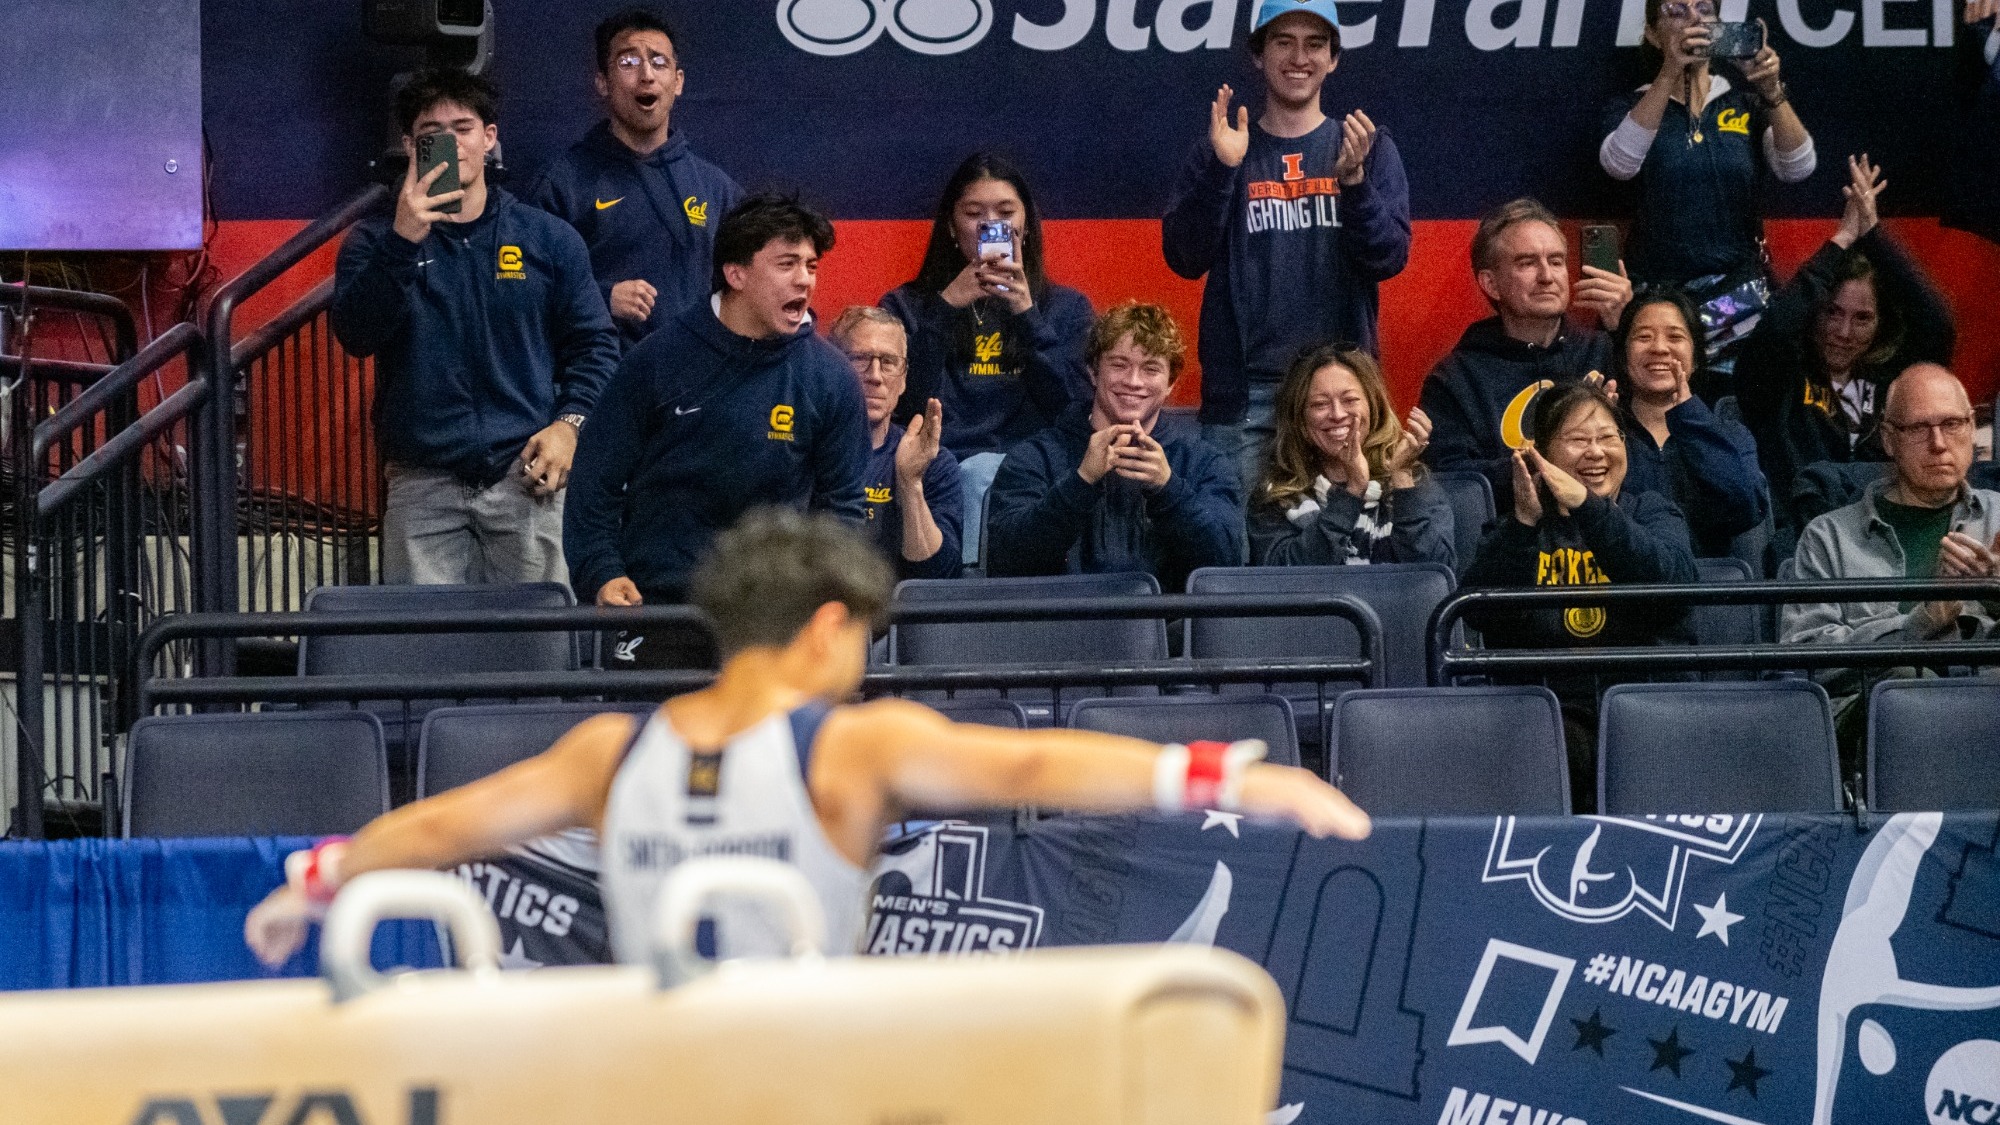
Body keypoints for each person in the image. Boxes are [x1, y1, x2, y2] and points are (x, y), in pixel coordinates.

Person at [243, 508, 1372, 967]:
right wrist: (1219, 771)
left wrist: (321, 874)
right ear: (830, 627)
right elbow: (1030, 763)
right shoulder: (849, 750)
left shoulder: (604, 753)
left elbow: (443, 827)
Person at [332, 69, 620, 587]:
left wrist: (569, 425)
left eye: (463, 128)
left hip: (527, 476)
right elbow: (357, 335)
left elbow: (595, 346)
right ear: (409, 146)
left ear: (490, 138)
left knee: (539, 658)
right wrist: (404, 240)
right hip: (422, 485)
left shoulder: (548, 239)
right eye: (431, 135)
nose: (451, 144)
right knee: (423, 661)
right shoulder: (374, 242)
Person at [564, 195, 868, 668]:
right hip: (660, 609)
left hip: (772, 618)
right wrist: (602, 571)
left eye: (811, 265)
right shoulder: (655, 361)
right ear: (736, 273)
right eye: (787, 264)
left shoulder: (831, 379)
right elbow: (594, 481)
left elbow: (843, 508)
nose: (805, 279)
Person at [1162, 0, 1411, 499]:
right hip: (1245, 400)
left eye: (1315, 44)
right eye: (1283, 42)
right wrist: (1223, 170)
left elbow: (1389, 258)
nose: (1300, 57)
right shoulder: (1223, 149)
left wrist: (1356, 184)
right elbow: (1184, 258)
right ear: (1258, 55)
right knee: (1240, 563)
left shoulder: (1366, 147)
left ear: (1334, 59)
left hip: (1339, 401)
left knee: (1344, 548)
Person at [1461, 382, 1698, 812]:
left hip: (1647, 707)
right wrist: (1523, 527)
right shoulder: (1517, 525)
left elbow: (1675, 587)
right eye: (1578, 440)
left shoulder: (1652, 512)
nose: (1596, 452)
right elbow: (1480, 613)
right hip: (1548, 716)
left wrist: (1590, 509)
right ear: (1542, 453)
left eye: (1609, 438)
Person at [882, 154, 1094, 567]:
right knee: (974, 473)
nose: (989, 225)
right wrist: (944, 310)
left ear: (1026, 225)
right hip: (936, 469)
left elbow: (1074, 412)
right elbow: (903, 410)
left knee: (987, 474)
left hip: (1030, 473)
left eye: (1005, 213)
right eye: (974, 213)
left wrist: (1027, 316)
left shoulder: (1065, 308)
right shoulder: (906, 306)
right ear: (950, 227)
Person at [1781, 365, 2000, 763]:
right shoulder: (1828, 537)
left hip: (1984, 712)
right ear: (1888, 439)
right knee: (1901, 689)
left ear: (1972, 426)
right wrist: (1919, 624)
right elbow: (1802, 663)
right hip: (1872, 732)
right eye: (1919, 428)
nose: (1938, 443)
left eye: (1952, 423)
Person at [1736, 156, 1956, 549]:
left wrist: (1871, 232)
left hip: (1890, 534)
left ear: (1880, 324)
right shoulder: (1782, 373)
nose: (1842, 331)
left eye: (1862, 318)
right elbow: (1773, 331)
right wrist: (1841, 239)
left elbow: (1935, 322)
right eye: (1832, 313)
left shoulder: (1893, 378)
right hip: (1807, 539)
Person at [1599, 0, 1816, 378]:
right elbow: (1619, 164)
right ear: (1652, 33)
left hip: (1736, 298)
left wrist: (1771, 91)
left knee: (1736, 410)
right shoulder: (1631, 105)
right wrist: (1669, 74)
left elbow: (1798, 167)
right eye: (1676, 10)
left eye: (1704, 8)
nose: (1694, 19)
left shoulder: (1744, 104)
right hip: (1658, 301)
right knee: (1661, 409)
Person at [986, 302, 1241, 593]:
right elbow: (1005, 564)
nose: (1133, 381)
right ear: (1093, 372)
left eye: (1151, 368)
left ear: (1171, 382)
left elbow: (1224, 568)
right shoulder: (1034, 457)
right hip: (1057, 630)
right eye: (1119, 365)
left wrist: (1168, 489)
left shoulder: (1204, 463)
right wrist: (1081, 482)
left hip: (1168, 630)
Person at [527, 8, 743, 346]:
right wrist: (602, 297)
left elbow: (753, 287)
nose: (646, 75)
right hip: (601, 384)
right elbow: (524, 291)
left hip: (696, 385)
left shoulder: (717, 189)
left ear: (678, 82)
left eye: (659, 63)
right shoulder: (562, 183)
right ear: (603, 82)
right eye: (628, 63)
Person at [1419, 198, 1632, 514]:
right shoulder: (1455, 379)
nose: (1547, 276)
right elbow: (1455, 484)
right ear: (1491, 283)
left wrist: (1626, 328)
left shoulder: (1605, 349)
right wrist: (1555, 461)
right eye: (1527, 263)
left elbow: (1657, 437)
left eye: (1556, 260)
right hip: (1514, 543)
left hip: (1610, 534)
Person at [1250, 342, 1455, 569]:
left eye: (1350, 400)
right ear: (1300, 419)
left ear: (1373, 406)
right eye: (1320, 404)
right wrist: (1353, 492)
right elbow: (1284, 582)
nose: (1337, 414)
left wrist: (1401, 478)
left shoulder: (1414, 482)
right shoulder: (1277, 496)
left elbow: (1436, 574)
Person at [1613, 286, 1769, 558]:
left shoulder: (1730, 434)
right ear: (1623, 357)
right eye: (1643, 337)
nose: (1659, 348)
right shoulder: (1606, 434)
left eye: (1675, 336)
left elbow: (1746, 509)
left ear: (1696, 358)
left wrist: (1689, 418)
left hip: (1705, 587)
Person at [829, 305, 964, 580]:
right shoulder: (802, 451)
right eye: (859, 359)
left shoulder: (935, 463)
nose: (875, 376)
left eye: (889, 362)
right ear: (833, 366)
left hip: (901, 617)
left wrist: (911, 483)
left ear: (903, 380)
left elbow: (938, 580)